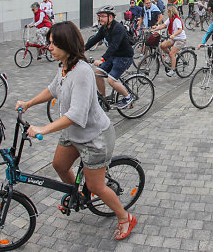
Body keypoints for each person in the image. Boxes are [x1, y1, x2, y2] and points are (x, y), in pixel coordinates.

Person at [16, 21, 136, 240]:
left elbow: (76, 115)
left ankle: (124, 217)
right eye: (49, 42)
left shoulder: (81, 72)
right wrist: (28, 103)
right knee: (59, 165)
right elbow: (53, 90)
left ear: (67, 44)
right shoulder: (65, 66)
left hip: (94, 138)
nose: (48, 47)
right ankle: (78, 195)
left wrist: (43, 128)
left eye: (53, 43)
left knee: (96, 186)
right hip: (74, 134)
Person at [85, 6, 134, 109]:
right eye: (99, 16)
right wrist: (80, 50)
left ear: (110, 17)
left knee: (111, 80)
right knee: (97, 73)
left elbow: (114, 46)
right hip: (114, 56)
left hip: (124, 57)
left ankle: (127, 97)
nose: (100, 19)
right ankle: (103, 99)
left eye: (103, 16)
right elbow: (94, 40)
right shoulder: (104, 28)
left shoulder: (118, 28)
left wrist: (102, 59)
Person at [152, 6, 186, 77]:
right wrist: (156, 29)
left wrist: (174, 35)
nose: (167, 14)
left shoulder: (177, 20)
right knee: (162, 45)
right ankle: (172, 56)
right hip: (173, 38)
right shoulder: (170, 19)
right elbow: (164, 25)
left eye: (168, 12)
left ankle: (173, 70)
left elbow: (180, 30)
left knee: (171, 53)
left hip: (180, 39)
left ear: (171, 13)